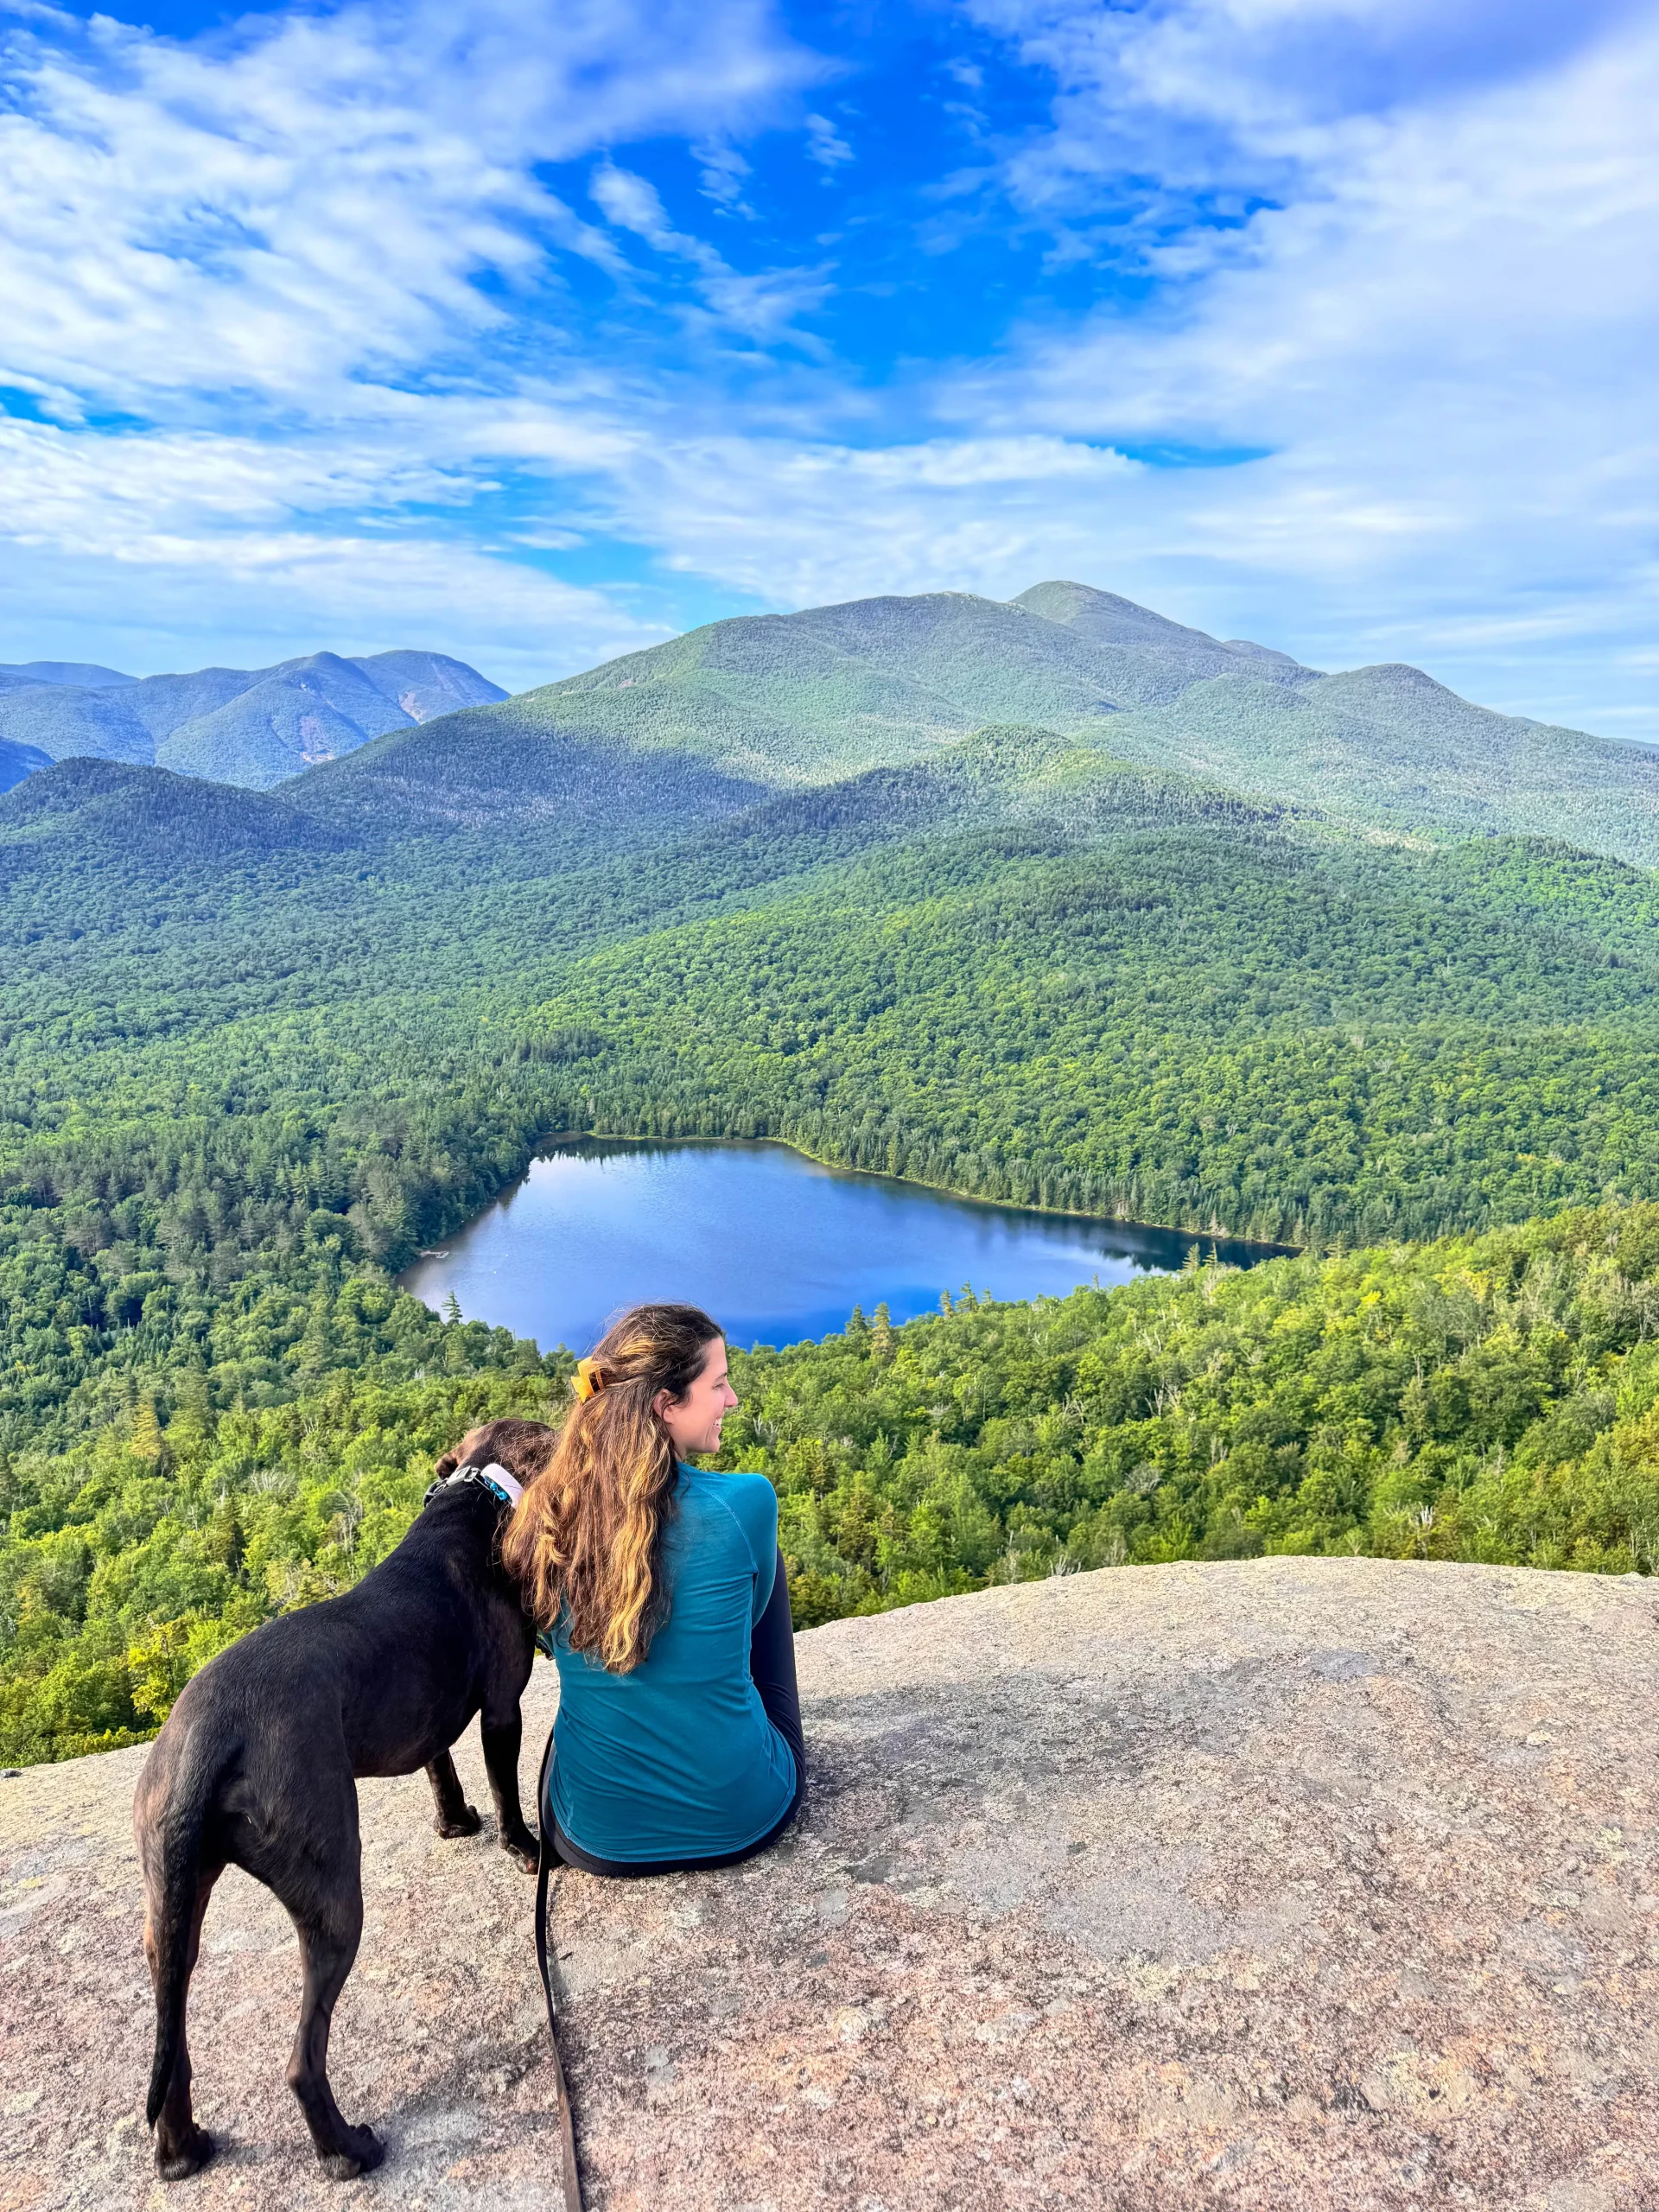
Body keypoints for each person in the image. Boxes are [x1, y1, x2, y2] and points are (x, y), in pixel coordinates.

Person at [503, 1302, 804, 1875]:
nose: (732, 1400)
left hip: (595, 1837)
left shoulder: (544, 1513)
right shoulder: (746, 1503)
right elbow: (754, 1616)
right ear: (667, 1404)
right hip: (741, 1816)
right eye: (718, 1385)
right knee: (766, 1566)